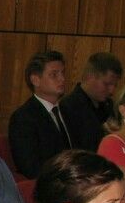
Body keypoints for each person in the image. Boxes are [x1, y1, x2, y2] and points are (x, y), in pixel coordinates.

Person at [8, 50, 81, 179]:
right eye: (54, 75)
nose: (62, 79)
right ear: (35, 80)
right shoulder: (24, 117)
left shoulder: (69, 111)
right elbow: (29, 167)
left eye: (62, 73)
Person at [60, 52, 122, 152]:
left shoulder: (109, 106)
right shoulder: (68, 108)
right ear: (90, 77)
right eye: (107, 84)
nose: (112, 91)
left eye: (115, 85)